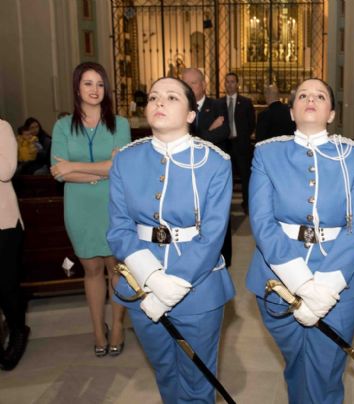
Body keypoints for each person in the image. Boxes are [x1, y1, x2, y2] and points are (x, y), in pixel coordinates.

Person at [246, 78, 354, 403]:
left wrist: (326, 287)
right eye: (302, 95)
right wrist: (300, 283)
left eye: (320, 95)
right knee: (296, 367)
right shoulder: (267, 154)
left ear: (331, 113)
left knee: (326, 372)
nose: (310, 99)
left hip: (340, 277)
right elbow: (261, 222)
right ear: (292, 111)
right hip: (278, 277)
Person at [107, 77, 235, 403]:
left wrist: (172, 285)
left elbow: (213, 235)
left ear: (192, 114)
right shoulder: (125, 159)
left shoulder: (215, 162)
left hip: (198, 287)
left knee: (197, 380)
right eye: (153, 97)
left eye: (171, 97)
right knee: (165, 373)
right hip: (141, 285)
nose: (159, 102)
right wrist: (150, 276)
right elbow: (119, 228)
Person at [50, 62, 131, 357]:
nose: (94, 89)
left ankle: (118, 326)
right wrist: (101, 171)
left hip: (113, 206)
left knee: (116, 269)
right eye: (88, 83)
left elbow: (119, 167)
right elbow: (58, 173)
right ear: (77, 87)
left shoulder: (119, 124)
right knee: (92, 269)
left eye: (99, 83)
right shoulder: (62, 125)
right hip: (79, 207)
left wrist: (74, 166)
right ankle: (98, 330)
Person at [183, 67, 233, 267]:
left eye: (192, 83)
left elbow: (224, 132)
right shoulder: (180, 107)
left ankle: (223, 259)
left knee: (218, 216)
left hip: (213, 171)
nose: (188, 87)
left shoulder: (218, 105)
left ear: (203, 85)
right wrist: (208, 131)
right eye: (184, 83)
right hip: (186, 170)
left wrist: (196, 137)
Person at [0, 120, 30, 371]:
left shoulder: (3, 128)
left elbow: (6, 170)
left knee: (7, 286)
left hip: (4, 223)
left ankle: (18, 331)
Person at [221, 72, 255, 213]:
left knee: (245, 176)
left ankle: (247, 204)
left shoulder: (246, 102)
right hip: (224, 146)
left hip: (241, 145)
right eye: (227, 82)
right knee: (224, 178)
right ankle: (223, 206)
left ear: (237, 84)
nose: (230, 84)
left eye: (233, 81)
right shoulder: (218, 103)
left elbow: (252, 123)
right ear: (225, 84)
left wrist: (243, 138)